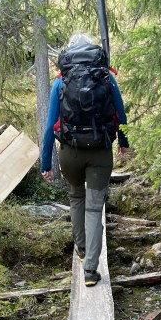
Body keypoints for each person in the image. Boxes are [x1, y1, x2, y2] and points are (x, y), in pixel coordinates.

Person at [40, 33, 129, 286]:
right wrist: (123, 142)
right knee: (94, 207)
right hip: (100, 150)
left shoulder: (62, 80)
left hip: (70, 153)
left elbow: (49, 127)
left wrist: (46, 164)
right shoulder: (106, 76)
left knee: (76, 197)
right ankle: (91, 269)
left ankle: (81, 249)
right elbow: (120, 114)